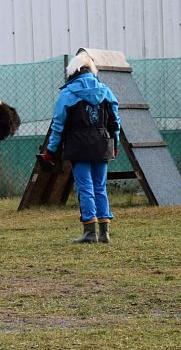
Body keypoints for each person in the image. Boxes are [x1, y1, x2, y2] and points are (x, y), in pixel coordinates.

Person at [41, 51, 121, 243]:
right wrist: (115, 144)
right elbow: (115, 122)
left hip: (78, 146)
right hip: (102, 144)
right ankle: (105, 233)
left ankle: (89, 232)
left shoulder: (68, 94)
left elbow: (58, 126)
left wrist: (51, 151)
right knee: (100, 187)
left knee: (85, 188)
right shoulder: (106, 91)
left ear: (73, 71)